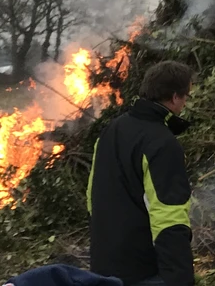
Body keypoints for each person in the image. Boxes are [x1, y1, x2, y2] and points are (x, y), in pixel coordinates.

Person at [88, 61, 195, 286]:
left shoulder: (112, 129)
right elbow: (168, 216)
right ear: (175, 97)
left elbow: (92, 197)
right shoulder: (162, 143)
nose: (185, 103)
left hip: (103, 264)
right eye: (186, 97)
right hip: (141, 270)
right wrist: (179, 278)